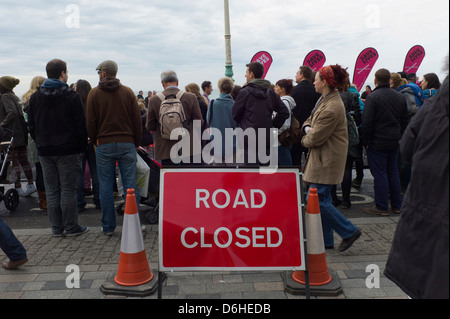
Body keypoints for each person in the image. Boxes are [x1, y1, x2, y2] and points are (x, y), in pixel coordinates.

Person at [384, 72, 449, 299]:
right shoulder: (419, 98)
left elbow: (409, 146)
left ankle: (386, 203)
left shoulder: (437, 103)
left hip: (429, 214)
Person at [301, 64, 361, 252]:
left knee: (317, 200)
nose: (314, 82)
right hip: (322, 159)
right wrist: (307, 128)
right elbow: (308, 120)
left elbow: (315, 137)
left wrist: (305, 136)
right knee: (322, 199)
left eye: (317, 78)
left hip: (326, 160)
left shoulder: (332, 106)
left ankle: (349, 231)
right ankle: (327, 241)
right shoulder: (324, 100)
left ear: (325, 82)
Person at [28, 59, 88, 237]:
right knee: (68, 189)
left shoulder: (36, 97)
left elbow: (31, 124)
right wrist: (81, 147)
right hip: (68, 150)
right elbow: (80, 125)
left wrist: (39, 141)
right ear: (62, 73)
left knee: (52, 189)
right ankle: (71, 227)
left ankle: (56, 227)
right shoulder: (71, 96)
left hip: (45, 150)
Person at [86, 60, 142, 236]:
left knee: (105, 186)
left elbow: (90, 121)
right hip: (127, 142)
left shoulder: (94, 93)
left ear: (103, 73)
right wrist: (136, 142)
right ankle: (133, 224)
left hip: (103, 144)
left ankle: (108, 226)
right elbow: (136, 121)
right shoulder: (127, 92)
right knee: (130, 186)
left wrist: (95, 139)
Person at [361, 68, 408, 216]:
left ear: (375, 80)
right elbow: (404, 120)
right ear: (389, 80)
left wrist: (365, 141)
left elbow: (367, 122)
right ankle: (396, 205)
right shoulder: (399, 96)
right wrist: (399, 136)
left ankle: (381, 206)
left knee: (380, 173)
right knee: (393, 172)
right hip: (394, 139)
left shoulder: (373, 97)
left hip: (377, 140)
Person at [232, 62, 289, 166]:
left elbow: (235, 115)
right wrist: (272, 125)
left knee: (250, 176)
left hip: (248, 139)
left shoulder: (244, 92)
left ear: (252, 74)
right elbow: (284, 112)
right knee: (264, 175)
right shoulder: (270, 93)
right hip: (265, 139)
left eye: (246, 72)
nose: (245, 75)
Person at [146, 70, 203, 166]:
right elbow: (199, 122)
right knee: (190, 178)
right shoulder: (190, 97)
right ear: (177, 82)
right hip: (189, 146)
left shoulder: (154, 100)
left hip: (166, 148)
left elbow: (150, 126)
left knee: (171, 178)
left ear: (162, 83)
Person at [0, 76, 37, 197]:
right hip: (20, 134)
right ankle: (31, 184)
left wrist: (2, 125)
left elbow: (12, 113)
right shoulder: (14, 96)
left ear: (3, 86)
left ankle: (18, 187)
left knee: (14, 162)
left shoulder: (5, 97)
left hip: (11, 135)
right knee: (23, 160)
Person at [331, 83, 362, 209]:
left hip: (333, 133)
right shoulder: (352, 95)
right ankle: (346, 200)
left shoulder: (331, 96)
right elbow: (358, 116)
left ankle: (333, 198)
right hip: (348, 132)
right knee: (347, 168)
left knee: (333, 168)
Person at [75, 79, 100, 213]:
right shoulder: (93, 102)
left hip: (79, 142)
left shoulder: (74, 103)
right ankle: (98, 200)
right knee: (96, 171)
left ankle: (79, 202)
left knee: (79, 173)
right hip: (94, 141)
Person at [22, 76, 47, 209]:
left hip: (32, 137)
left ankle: (42, 199)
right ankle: (45, 199)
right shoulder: (39, 98)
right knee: (45, 169)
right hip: (41, 136)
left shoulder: (27, 98)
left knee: (38, 168)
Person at [291, 65, 321, 168]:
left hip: (296, 130)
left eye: (297, 73)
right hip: (312, 128)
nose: (295, 75)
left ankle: (297, 181)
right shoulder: (316, 91)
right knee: (311, 159)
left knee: (295, 159)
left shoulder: (293, 91)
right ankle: (310, 183)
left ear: (302, 75)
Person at [206, 77, 237, 164]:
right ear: (231, 89)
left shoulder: (213, 104)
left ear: (219, 89)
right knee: (232, 173)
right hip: (232, 145)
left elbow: (208, 121)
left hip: (216, 145)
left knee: (218, 172)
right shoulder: (234, 105)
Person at [274, 79, 296, 166]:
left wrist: (274, 133)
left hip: (279, 141)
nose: (274, 88)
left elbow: (284, 124)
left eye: (277, 87)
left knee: (285, 169)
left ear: (282, 89)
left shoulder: (284, 103)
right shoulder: (285, 102)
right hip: (281, 140)